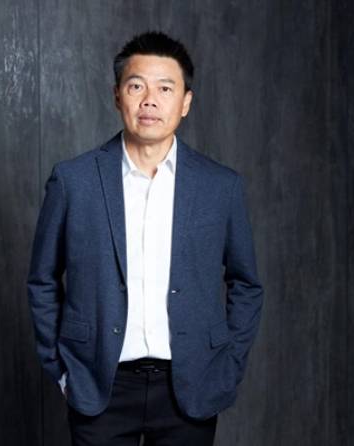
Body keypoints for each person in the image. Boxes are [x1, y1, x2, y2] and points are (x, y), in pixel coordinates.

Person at [27, 31, 263, 446]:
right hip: (100, 384)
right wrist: (62, 369)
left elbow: (246, 284)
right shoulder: (74, 181)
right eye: (137, 86)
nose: (150, 100)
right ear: (117, 95)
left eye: (165, 89)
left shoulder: (220, 187)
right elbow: (42, 279)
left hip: (190, 386)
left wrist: (227, 364)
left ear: (185, 102)